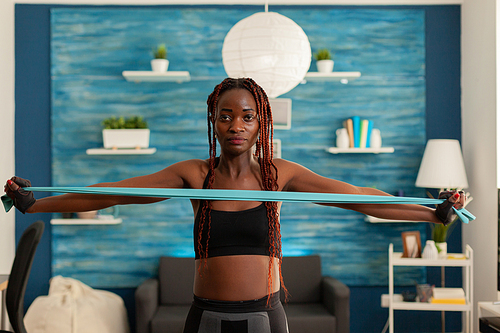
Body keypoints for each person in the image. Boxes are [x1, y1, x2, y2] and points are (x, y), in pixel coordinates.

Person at [4, 77, 465, 333]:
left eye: (247, 116)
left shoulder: (278, 175)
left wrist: (435, 212)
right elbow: (110, 191)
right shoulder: (193, 175)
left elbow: (364, 200)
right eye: (226, 116)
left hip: (268, 314)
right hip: (203, 315)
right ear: (214, 121)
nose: (236, 125)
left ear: (261, 122)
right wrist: (32, 204)